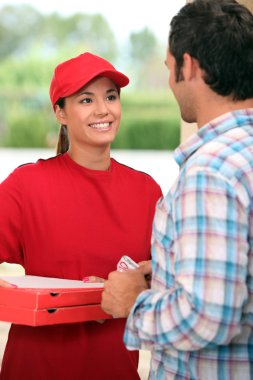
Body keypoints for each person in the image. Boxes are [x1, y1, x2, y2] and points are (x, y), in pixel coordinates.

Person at [101, 0, 253, 378]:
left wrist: (135, 302)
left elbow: (207, 317)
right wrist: (172, 271)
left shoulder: (209, 172)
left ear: (190, 66)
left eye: (170, 69)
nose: (171, 83)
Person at [0, 52, 162, 380]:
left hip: (114, 368)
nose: (103, 110)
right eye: (86, 99)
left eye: (111, 97)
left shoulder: (147, 192)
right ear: (60, 112)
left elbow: (173, 284)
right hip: (36, 368)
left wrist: (135, 289)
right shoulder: (26, 185)